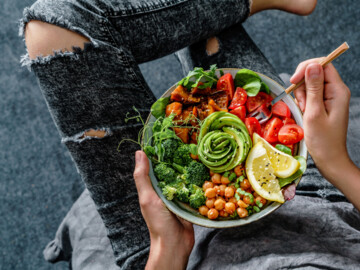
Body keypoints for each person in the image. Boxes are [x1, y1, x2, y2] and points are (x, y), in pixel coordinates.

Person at [20, 0, 360, 269]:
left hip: (167, 249)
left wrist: (169, 251)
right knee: (209, 50)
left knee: (51, 26)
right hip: (304, 194)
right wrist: (335, 162)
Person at [133, 60, 360, 269]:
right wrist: (336, 164)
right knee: (211, 45)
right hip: (321, 198)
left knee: (203, 48)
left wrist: (168, 247)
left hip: (201, 238)